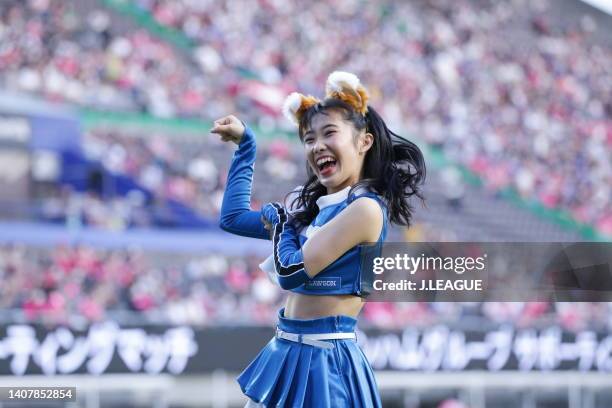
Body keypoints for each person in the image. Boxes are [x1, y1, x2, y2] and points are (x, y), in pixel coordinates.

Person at [212, 71, 425, 407]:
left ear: (363, 141)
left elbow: (292, 272)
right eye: (309, 139)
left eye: (329, 133)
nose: (317, 146)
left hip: (327, 363)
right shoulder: (314, 212)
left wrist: (281, 223)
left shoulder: (365, 209)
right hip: (286, 351)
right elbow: (233, 218)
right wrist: (246, 148)